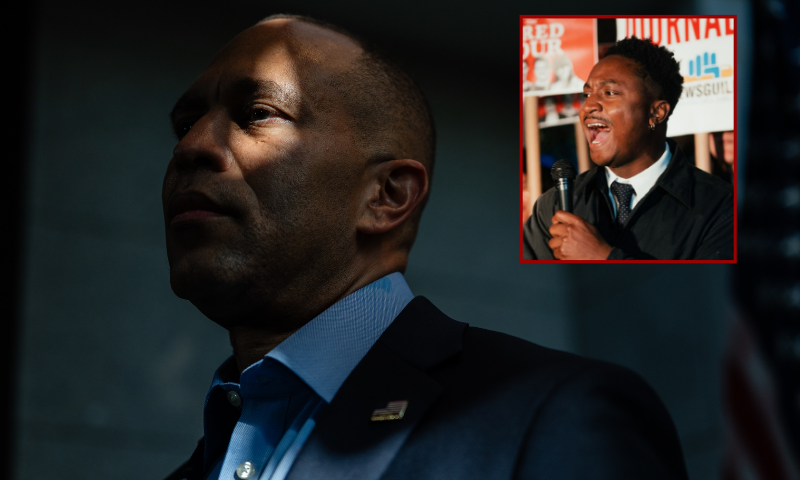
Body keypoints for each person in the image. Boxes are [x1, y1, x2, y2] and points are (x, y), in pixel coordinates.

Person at [164, 16, 688, 480]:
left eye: (257, 112)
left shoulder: (560, 415)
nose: (192, 147)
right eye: (186, 125)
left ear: (387, 196)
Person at [523, 37, 733, 260]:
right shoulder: (554, 205)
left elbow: (705, 293)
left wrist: (603, 257)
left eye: (610, 93)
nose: (589, 106)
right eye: (587, 94)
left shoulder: (720, 206)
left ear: (656, 112)